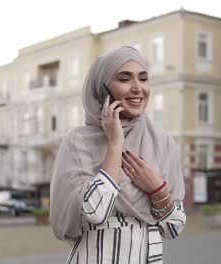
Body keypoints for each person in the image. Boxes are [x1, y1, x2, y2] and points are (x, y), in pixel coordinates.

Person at [50, 46, 186, 264]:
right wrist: (114, 145)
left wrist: (157, 188)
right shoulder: (78, 141)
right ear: (103, 88)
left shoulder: (163, 143)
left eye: (143, 79)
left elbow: (174, 227)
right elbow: (95, 212)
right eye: (124, 79)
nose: (137, 88)